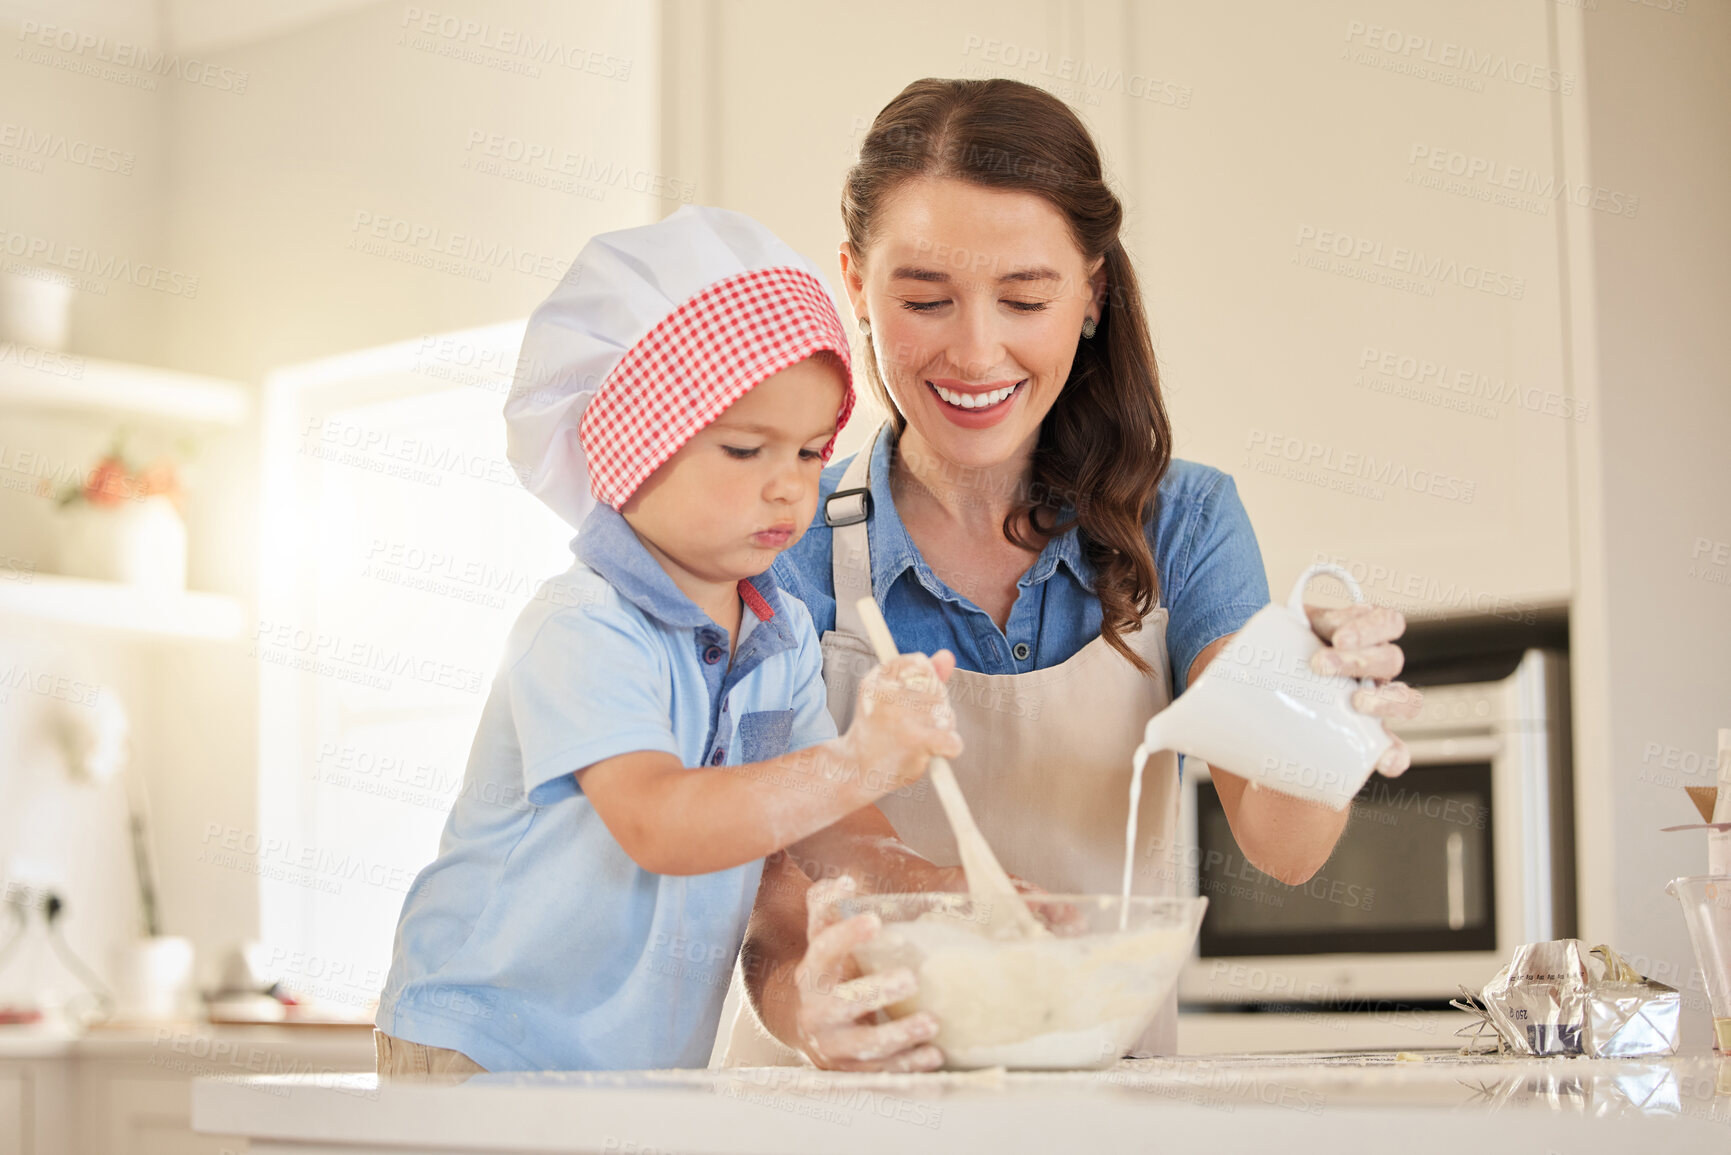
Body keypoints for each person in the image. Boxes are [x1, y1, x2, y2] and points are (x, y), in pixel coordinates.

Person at [719, 78, 1425, 1071]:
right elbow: (770, 901)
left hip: (1101, 1106)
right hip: (844, 1105)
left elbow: (1285, 845)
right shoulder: (780, 545)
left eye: (1025, 297)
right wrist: (810, 1007)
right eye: (924, 298)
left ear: (1092, 293)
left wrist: (1324, 718)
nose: (975, 350)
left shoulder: (1181, 525)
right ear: (855, 285)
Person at [374, 206, 964, 1074]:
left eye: (808, 452)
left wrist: (950, 895)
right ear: (629, 451)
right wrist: (861, 756)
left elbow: (830, 828)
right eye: (742, 449)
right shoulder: (583, 627)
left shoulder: (780, 630)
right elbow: (659, 822)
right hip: (487, 1049)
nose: (787, 490)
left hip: (638, 1065)